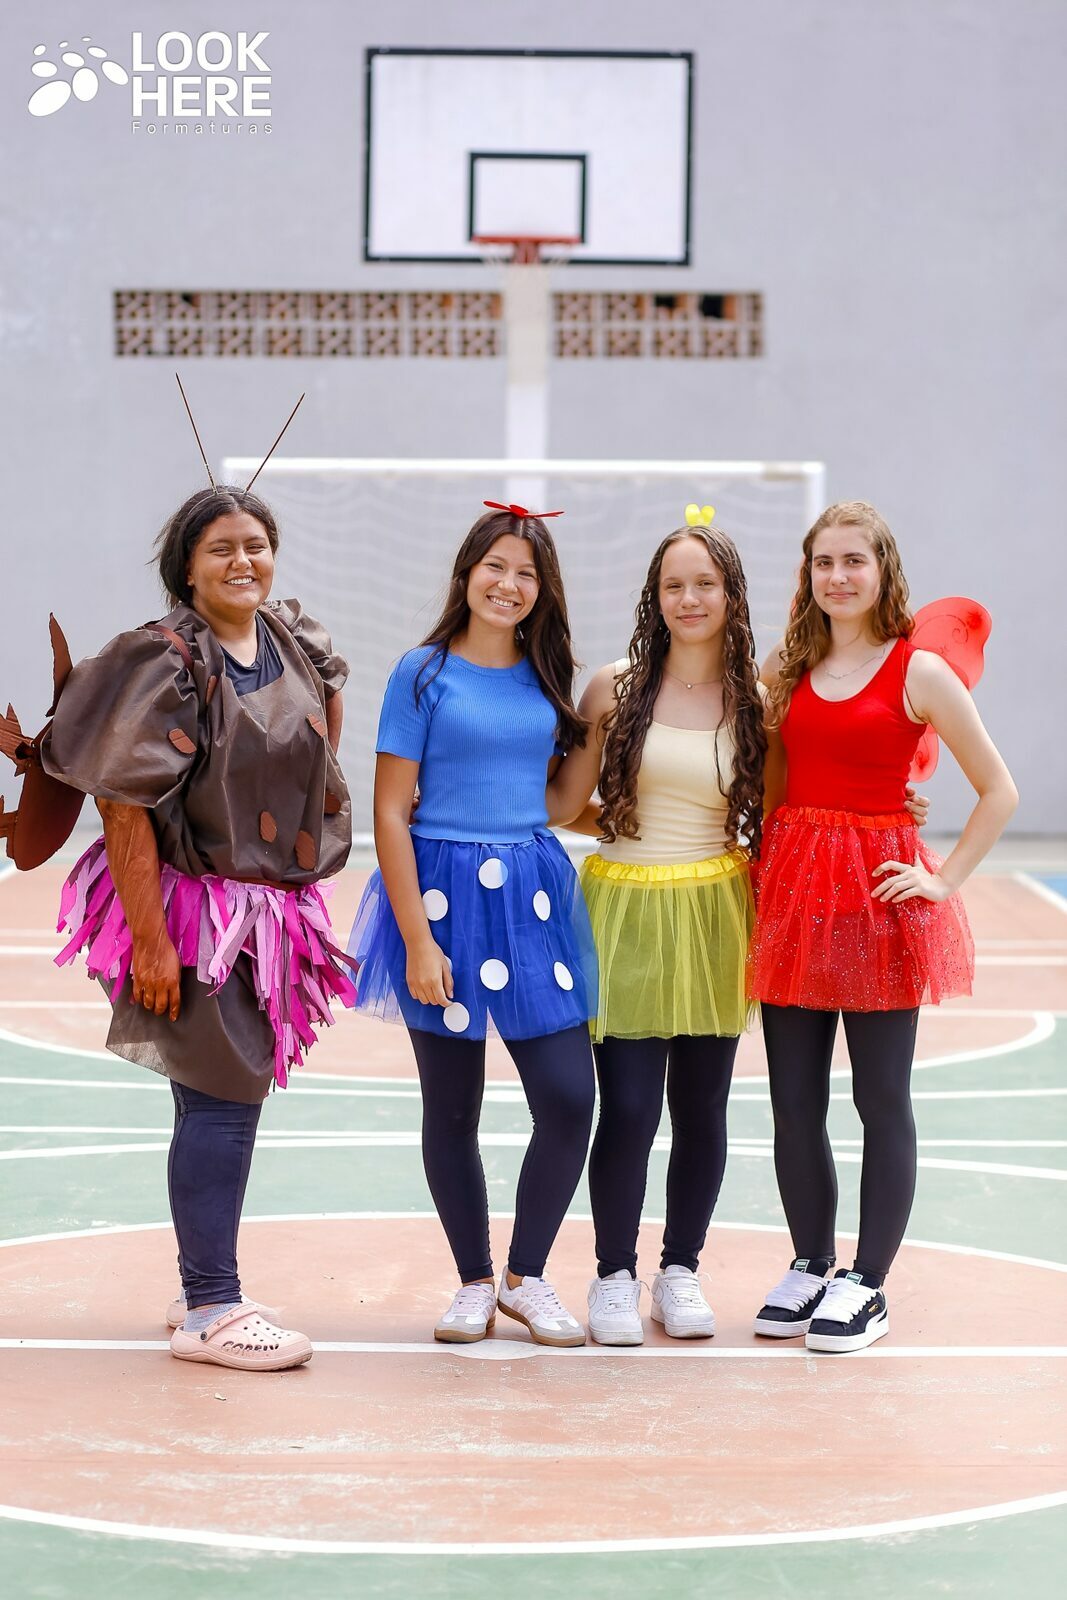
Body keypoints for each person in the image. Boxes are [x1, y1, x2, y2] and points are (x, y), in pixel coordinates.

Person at [40, 483, 355, 1371]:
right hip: (191, 907)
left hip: (266, 907)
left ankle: (198, 1282)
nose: (242, 561)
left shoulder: (292, 639)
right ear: (186, 567)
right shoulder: (164, 658)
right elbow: (123, 805)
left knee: (213, 1097)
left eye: (255, 544)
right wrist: (151, 939)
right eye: (221, 548)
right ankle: (211, 1307)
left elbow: (322, 735)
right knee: (223, 1099)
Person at [749, 500, 1017, 1352]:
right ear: (807, 574)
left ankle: (866, 1282)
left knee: (878, 1098)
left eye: (852, 560)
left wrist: (941, 880)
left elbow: (998, 790)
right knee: (793, 1101)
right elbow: (759, 764)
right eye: (823, 562)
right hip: (794, 893)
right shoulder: (785, 666)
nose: (837, 576)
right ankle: (809, 1263)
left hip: (876, 902)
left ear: (881, 569)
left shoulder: (919, 671)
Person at [349, 503, 597, 1347]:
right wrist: (418, 941)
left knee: (568, 1099)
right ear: (466, 574)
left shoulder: (548, 676)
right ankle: (472, 1282)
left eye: (527, 573)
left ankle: (525, 1279)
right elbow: (390, 813)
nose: (508, 584)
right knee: (452, 1110)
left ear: (543, 590)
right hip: (442, 899)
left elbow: (555, 800)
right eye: (495, 566)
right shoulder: (420, 674)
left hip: (530, 896)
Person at [545, 518, 764, 1343]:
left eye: (704, 583)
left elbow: (782, 807)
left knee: (701, 1108)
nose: (688, 598)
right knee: (629, 1108)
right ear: (654, 596)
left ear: (730, 595)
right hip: (624, 907)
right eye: (673, 584)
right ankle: (613, 1276)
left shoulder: (756, 699)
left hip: (713, 909)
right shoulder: (614, 686)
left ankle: (680, 1272)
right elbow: (566, 803)